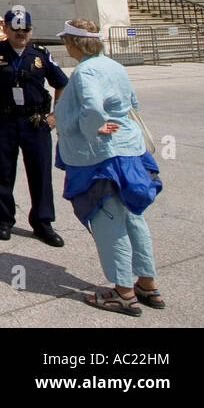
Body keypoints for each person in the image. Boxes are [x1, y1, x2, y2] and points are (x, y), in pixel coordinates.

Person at [54, 18, 163, 316]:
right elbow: (133, 104)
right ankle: (147, 283)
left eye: (66, 40)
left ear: (74, 43)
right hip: (129, 151)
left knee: (107, 220)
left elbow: (91, 107)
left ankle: (123, 292)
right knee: (133, 217)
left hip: (102, 157)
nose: (65, 45)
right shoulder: (114, 66)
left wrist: (95, 129)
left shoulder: (87, 70)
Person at [0, 5, 67, 246]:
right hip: (2, 120)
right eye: (16, 29)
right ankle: (4, 220)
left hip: (35, 121)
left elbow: (62, 83)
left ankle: (43, 222)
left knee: (40, 173)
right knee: (2, 172)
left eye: (26, 29)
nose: (22, 34)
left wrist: (55, 115)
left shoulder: (40, 54)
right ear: (5, 29)